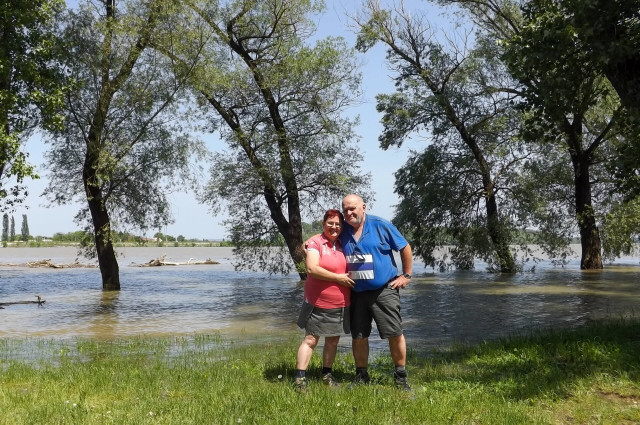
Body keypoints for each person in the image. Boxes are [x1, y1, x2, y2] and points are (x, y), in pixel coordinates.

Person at [340, 193, 413, 391]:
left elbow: (405, 247)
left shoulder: (381, 225)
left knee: (394, 333)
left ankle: (400, 377)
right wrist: (309, 244)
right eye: (345, 209)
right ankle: (361, 375)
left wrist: (406, 275)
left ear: (363, 207)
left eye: (353, 208)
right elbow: (323, 234)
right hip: (356, 292)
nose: (349, 212)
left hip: (384, 290)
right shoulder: (342, 228)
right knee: (359, 336)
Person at [294, 209, 355, 392]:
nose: (334, 227)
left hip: (341, 303)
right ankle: (299, 380)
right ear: (323, 224)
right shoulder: (315, 243)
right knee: (311, 340)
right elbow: (312, 269)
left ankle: (326, 375)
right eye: (330, 223)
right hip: (317, 302)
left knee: (333, 341)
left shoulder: (344, 243)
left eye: (337, 224)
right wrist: (338, 278)